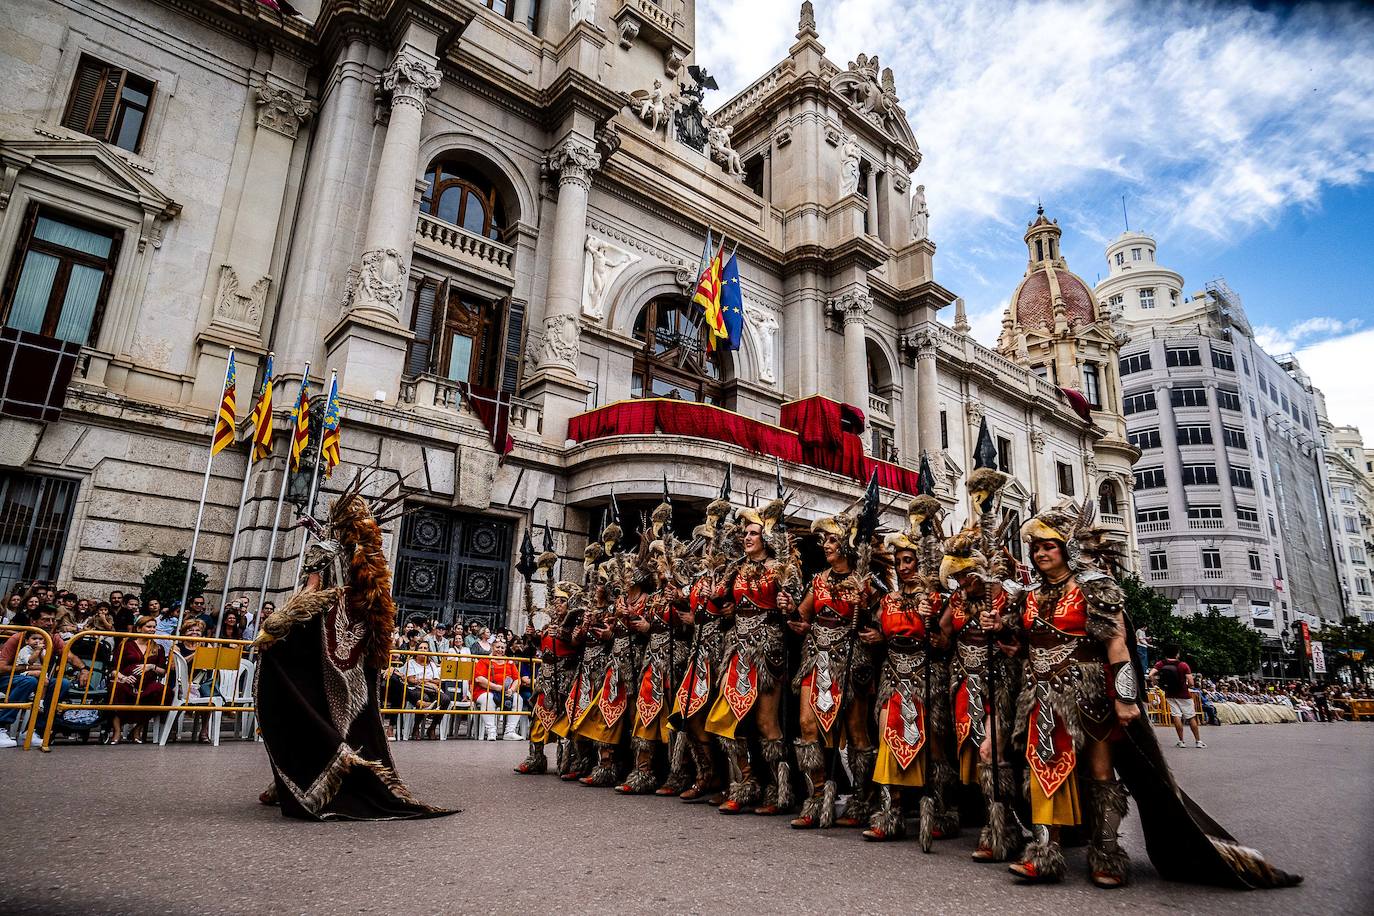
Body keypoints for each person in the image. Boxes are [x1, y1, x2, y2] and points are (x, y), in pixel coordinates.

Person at [993, 500, 1299, 889]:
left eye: (1048, 546)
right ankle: (1044, 852)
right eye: (1035, 548)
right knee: (1044, 771)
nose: (1039, 554)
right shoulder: (1029, 595)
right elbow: (1019, 644)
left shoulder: (1094, 588)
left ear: (1067, 547)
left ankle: (1107, 855)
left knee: (1102, 774)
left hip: (1090, 696)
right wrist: (1003, 634)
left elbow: (1118, 645)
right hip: (1039, 696)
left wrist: (1124, 698)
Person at [253, 473, 452, 820]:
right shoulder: (371, 563)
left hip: (319, 645)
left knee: (295, 703)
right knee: (338, 716)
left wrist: (276, 625)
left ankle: (302, 778)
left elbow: (310, 592)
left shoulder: (328, 550)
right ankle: (293, 778)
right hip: (357, 651)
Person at [783, 496, 880, 830]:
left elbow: (883, 623)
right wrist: (791, 613)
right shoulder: (819, 580)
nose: (825, 545)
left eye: (833, 539)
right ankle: (817, 796)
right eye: (824, 539)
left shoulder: (867, 581)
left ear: (848, 544)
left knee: (855, 730)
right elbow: (803, 617)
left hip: (852, 661)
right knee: (807, 725)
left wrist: (872, 624)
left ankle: (862, 800)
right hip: (817, 659)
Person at [860, 513, 955, 847]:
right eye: (899, 561)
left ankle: (941, 811)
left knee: (935, 745)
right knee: (889, 738)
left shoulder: (937, 599)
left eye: (909, 560)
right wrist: (875, 638)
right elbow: (881, 633)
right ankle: (891, 814)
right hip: (893, 674)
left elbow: (945, 644)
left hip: (927, 675)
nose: (903, 567)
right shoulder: (887, 600)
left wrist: (934, 629)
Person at [704, 496, 792, 816]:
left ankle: (776, 788)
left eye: (754, 533)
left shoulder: (779, 569)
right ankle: (745, 782)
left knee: (767, 722)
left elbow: (793, 607)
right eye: (746, 533)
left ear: (766, 537)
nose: (747, 537)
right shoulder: (736, 568)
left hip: (767, 648)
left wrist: (788, 603)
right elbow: (716, 606)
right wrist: (718, 598)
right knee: (728, 717)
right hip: (738, 647)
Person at [0, 606, 89, 748]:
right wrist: (29, 669)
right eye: (45, 619)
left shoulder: (53, 638)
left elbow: (69, 656)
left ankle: (33, 730)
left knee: (62, 683)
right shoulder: (19, 638)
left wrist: (84, 669)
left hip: (40, 680)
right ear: (33, 621)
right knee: (29, 681)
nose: (50, 623)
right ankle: (1, 726)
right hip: (10, 678)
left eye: (53, 620)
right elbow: (1, 667)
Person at [109, 615, 168, 744]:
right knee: (115, 688)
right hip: (126, 682)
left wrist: (151, 666)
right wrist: (123, 678)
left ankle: (137, 729)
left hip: (147, 684)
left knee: (161, 691)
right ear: (139, 628)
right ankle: (117, 731)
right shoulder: (126, 644)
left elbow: (163, 671)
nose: (152, 629)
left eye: (154, 627)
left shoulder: (158, 648)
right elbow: (113, 669)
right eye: (149, 627)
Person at [473, 636, 524, 741]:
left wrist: (512, 690)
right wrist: (496, 687)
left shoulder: (509, 661)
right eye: (497, 647)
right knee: (488, 698)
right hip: (485, 690)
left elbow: (517, 679)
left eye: (502, 648)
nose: (500, 650)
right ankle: (491, 731)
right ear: (492, 647)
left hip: (505, 692)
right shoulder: (484, 660)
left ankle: (510, 731)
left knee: (518, 699)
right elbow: (479, 679)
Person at [1153, 647, 1205, 748]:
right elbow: (1191, 683)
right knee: (1191, 716)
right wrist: (1189, 686)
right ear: (1177, 654)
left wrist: (1156, 683)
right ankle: (1198, 741)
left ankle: (1181, 741)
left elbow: (1152, 674)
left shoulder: (1161, 664)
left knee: (1176, 715)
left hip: (1169, 694)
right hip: (1184, 695)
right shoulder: (1183, 665)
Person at [403, 648, 451, 740]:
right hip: (416, 688)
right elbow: (411, 679)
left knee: (445, 699)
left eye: (425, 648)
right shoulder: (411, 662)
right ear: (416, 652)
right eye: (421, 648)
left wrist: (428, 680)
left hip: (431, 688)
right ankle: (416, 727)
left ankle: (432, 727)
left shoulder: (432, 664)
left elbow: (438, 681)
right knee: (424, 698)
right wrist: (423, 682)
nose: (423, 650)